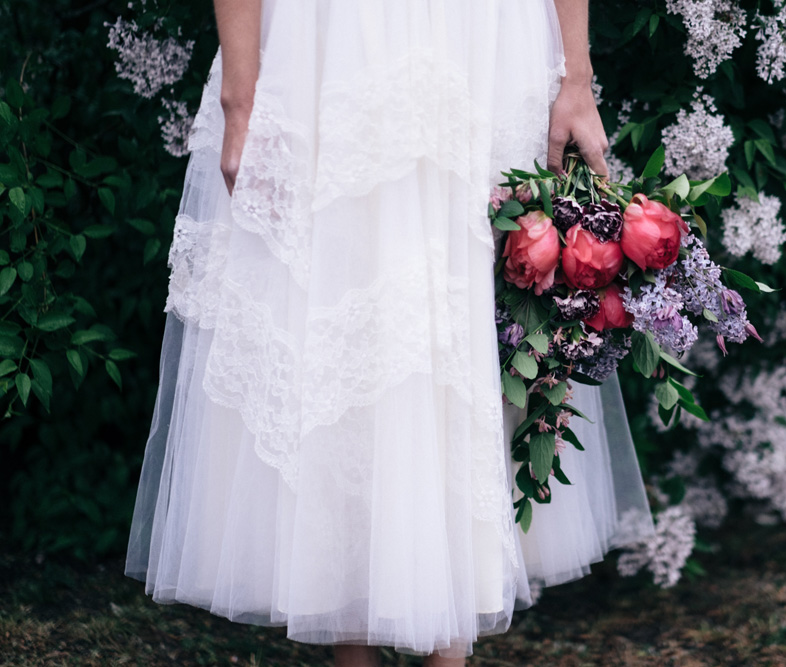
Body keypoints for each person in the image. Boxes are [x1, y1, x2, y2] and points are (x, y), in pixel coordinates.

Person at [125, 1, 652, 665]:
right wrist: (241, 93)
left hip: (484, 37)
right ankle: (352, 642)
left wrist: (576, 75)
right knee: (343, 312)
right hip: (335, 37)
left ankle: (447, 647)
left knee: (469, 322)